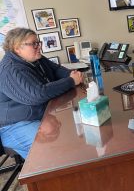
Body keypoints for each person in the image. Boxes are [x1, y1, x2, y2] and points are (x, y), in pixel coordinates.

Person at [0, 27, 83, 159]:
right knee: (50, 152)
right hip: (14, 125)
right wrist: (71, 81)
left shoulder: (35, 59)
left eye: (38, 42)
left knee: (70, 135)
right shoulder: (10, 69)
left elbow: (56, 70)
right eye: (33, 44)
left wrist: (70, 74)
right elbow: (37, 94)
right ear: (17, 48)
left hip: (39, 114)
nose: (39, 47)